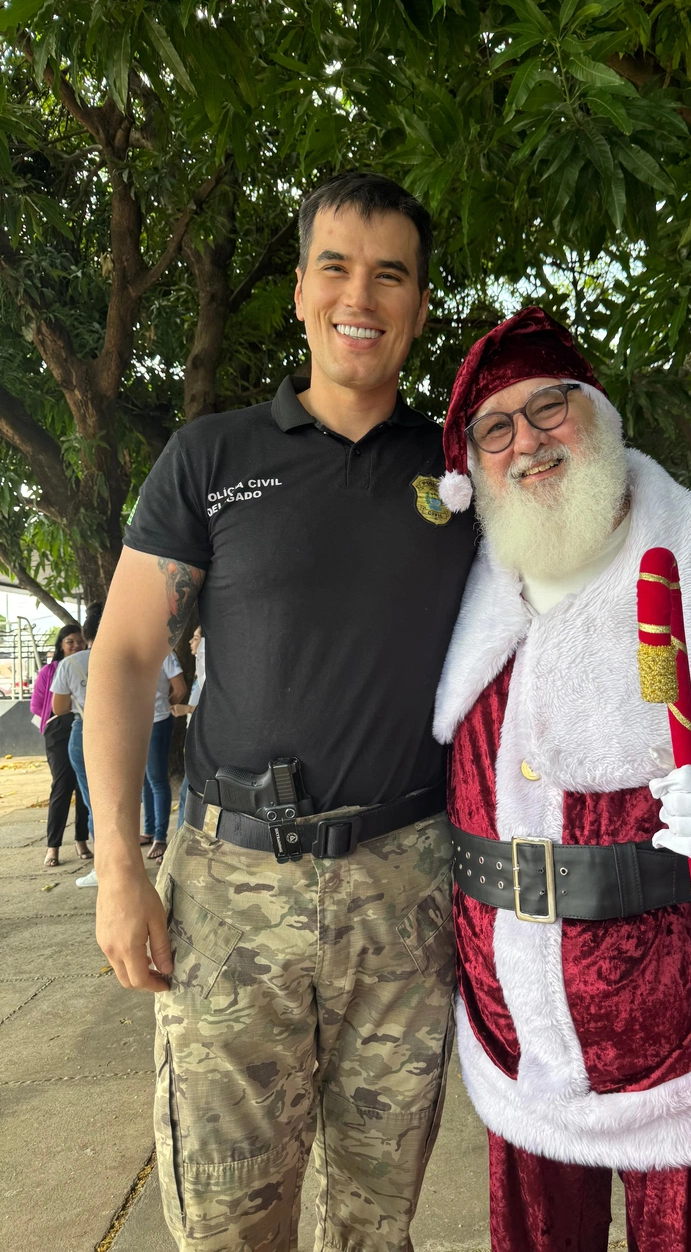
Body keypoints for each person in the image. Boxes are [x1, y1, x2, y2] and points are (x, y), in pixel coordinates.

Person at [84, 172, 477, 1252]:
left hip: (405, 891)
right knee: (225, 1220)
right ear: (302, 289)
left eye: (390, 273)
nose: (362, 294)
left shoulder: (459, 473)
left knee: (374, 1218)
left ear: (418, 303)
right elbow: (122, 657)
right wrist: (120, 866)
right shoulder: (211, 458)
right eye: (337, 267)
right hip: (228, 893)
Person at [432, 309, 691, 1252]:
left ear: (597, 416)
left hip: (687, 1035)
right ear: (474, 464)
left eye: (549, 410)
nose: (528, 443)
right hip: (520, 1038)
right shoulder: (467, 585)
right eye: (496, 429)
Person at [51, 602, 104, 889]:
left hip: (85, 731)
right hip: (124, 732)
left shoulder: (70, 663)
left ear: (85, 633)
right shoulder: (125, 656)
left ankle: (104, 866)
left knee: (93, 800)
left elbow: (59, 709)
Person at [32, 623, 92, 866]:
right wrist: (49, 721)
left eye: (79, 640)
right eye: (70, 641)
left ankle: (81, 840)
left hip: (83, 726)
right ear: (60, 645)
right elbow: (37, 704)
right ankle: (52, 846)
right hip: (58, 730)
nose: (75, 645)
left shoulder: (90, 664)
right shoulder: (50, 670)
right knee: (61, 786)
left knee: (83, 786)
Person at [140, 651, 187, 859]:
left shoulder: (164, 653)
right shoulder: (131, 648)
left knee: (157, 779)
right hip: (136, 721)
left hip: (157, 721)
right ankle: (149, 830)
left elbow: (180, 689)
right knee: (145, 780)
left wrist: (163, 707)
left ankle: (160, 837)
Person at [171, 626, 204, 832]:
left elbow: (219, 708)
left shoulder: (211, 672)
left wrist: (188, 708)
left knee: (188, 795)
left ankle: (180, 844)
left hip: (203, 743)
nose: (191, 642)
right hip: (195, 739)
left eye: (196, 638)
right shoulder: (200, 671)